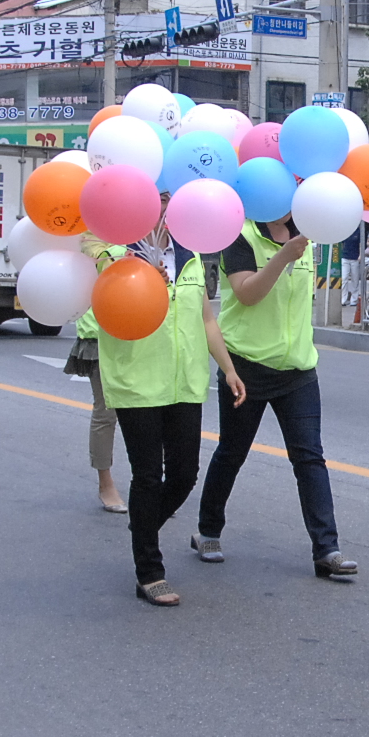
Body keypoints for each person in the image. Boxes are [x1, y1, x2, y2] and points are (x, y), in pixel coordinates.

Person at [194, 214, 357, 580]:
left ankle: (326, 549)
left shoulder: (310, 231)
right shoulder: (240, 235)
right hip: (246, 366)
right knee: (232, 453)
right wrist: (283, 256)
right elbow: (247, 294)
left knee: (310, 458)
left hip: (297, 368)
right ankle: (207, 530)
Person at [97, 210, 245, 606]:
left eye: (168, 199)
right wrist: (139, 278)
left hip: (185, 382)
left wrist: (228, 368)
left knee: (184, 473)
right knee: (148, 476)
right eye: (155, 199)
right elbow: (103, 307)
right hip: (139, 381)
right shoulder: (115, 254)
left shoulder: (190, 253)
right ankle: (149, 570)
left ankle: (142, 530)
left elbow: (206, 319)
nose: (162, 209)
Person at [70, 234, 128, 514]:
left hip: (143, 332)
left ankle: (152, 481)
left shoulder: (143, 235)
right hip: (100, 336)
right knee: (106, 412)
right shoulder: (91, 242)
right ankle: (105, 483)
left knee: (152, 409)